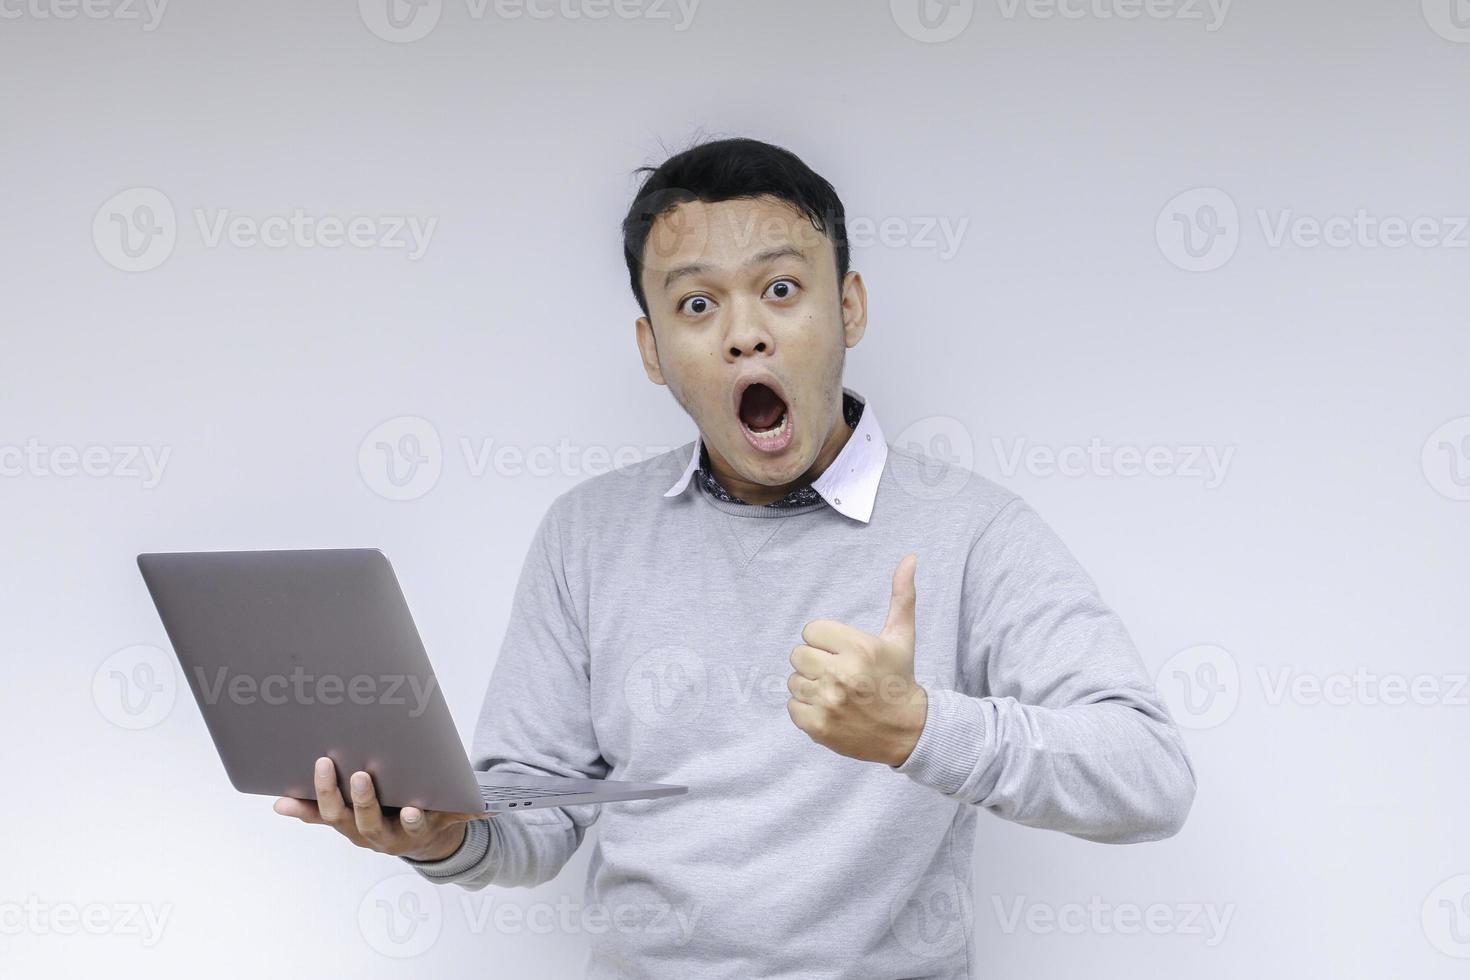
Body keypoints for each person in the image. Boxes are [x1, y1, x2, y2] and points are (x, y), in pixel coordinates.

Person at [274, 136, 1197, 978]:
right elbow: (534, 819)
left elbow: (1147, 776)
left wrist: (917, 729)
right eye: (697, 303)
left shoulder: (975, 531)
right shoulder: (586, 535)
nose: (744, 333)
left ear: (850, 306)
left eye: (782, 290)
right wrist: (438, 834)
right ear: (652, 350)